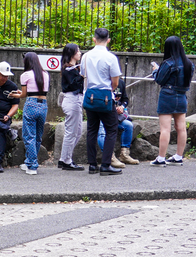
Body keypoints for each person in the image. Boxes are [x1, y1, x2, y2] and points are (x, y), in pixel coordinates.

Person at [81, 28, 123, 176]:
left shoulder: (85, 56)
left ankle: (92, 165)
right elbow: (115, 82)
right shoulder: (111, 57)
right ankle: (106, 164)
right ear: (108, 40)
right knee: (111, 129)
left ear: (94, 39)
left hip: (90, 97)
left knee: (92, 130)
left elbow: (83, 75)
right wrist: (107, 90)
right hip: (106, 98)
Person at [151, 35, 193, 167]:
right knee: (181, 128)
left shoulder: (168, 63)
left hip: (167, 96)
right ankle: (178, 157)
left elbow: (159, 80)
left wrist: (155, 71)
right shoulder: (189, 64)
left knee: (165, 129)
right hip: (181, 96)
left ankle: (161, 158)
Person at [18, 52, 50, 176]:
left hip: (31, 104)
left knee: (29, 136)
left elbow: (24, 94)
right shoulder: (45, 74)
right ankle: (28, 162)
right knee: (37, 136)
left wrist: (16, 94)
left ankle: (32, 165)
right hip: (43, 105)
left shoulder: (25, 75)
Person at [57, 44, 85, 171]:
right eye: (77, 51)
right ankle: (66, 160)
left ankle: (64, 158)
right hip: (72, 100)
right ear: (71, 53)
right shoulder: (68, 69)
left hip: (76, 100)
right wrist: (82, 76)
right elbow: (73, 84)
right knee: (71, 132)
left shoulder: (74, 69)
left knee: (77, 132)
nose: (80, 53)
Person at [97, 89, 138, 167]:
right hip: (102, 113)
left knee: (128, 125)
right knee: (102, 132)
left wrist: (122, 107)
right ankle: (109, 156)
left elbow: (125, 99)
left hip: (116, 116)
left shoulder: (120, 82)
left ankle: (124, 154)